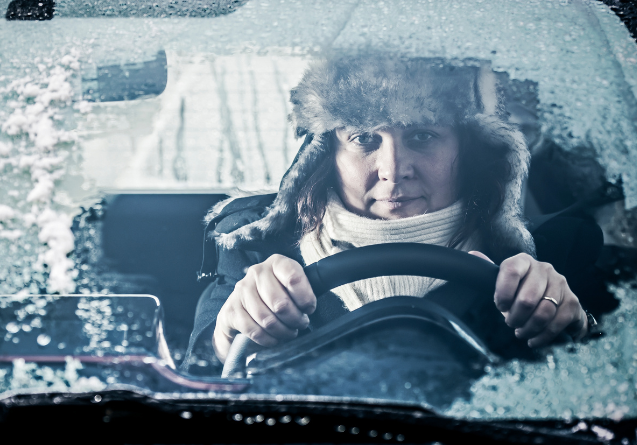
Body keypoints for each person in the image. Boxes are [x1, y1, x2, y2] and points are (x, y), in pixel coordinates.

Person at [184, 54, 602, 374]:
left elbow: (619, 387)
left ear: (466, 147)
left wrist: (576, 326)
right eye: (364, 138)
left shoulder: (553, 254)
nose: (393, 169)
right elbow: (193, 381)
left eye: (423, 135)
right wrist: (230, 333)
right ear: (326, 150)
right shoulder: (254, 246)